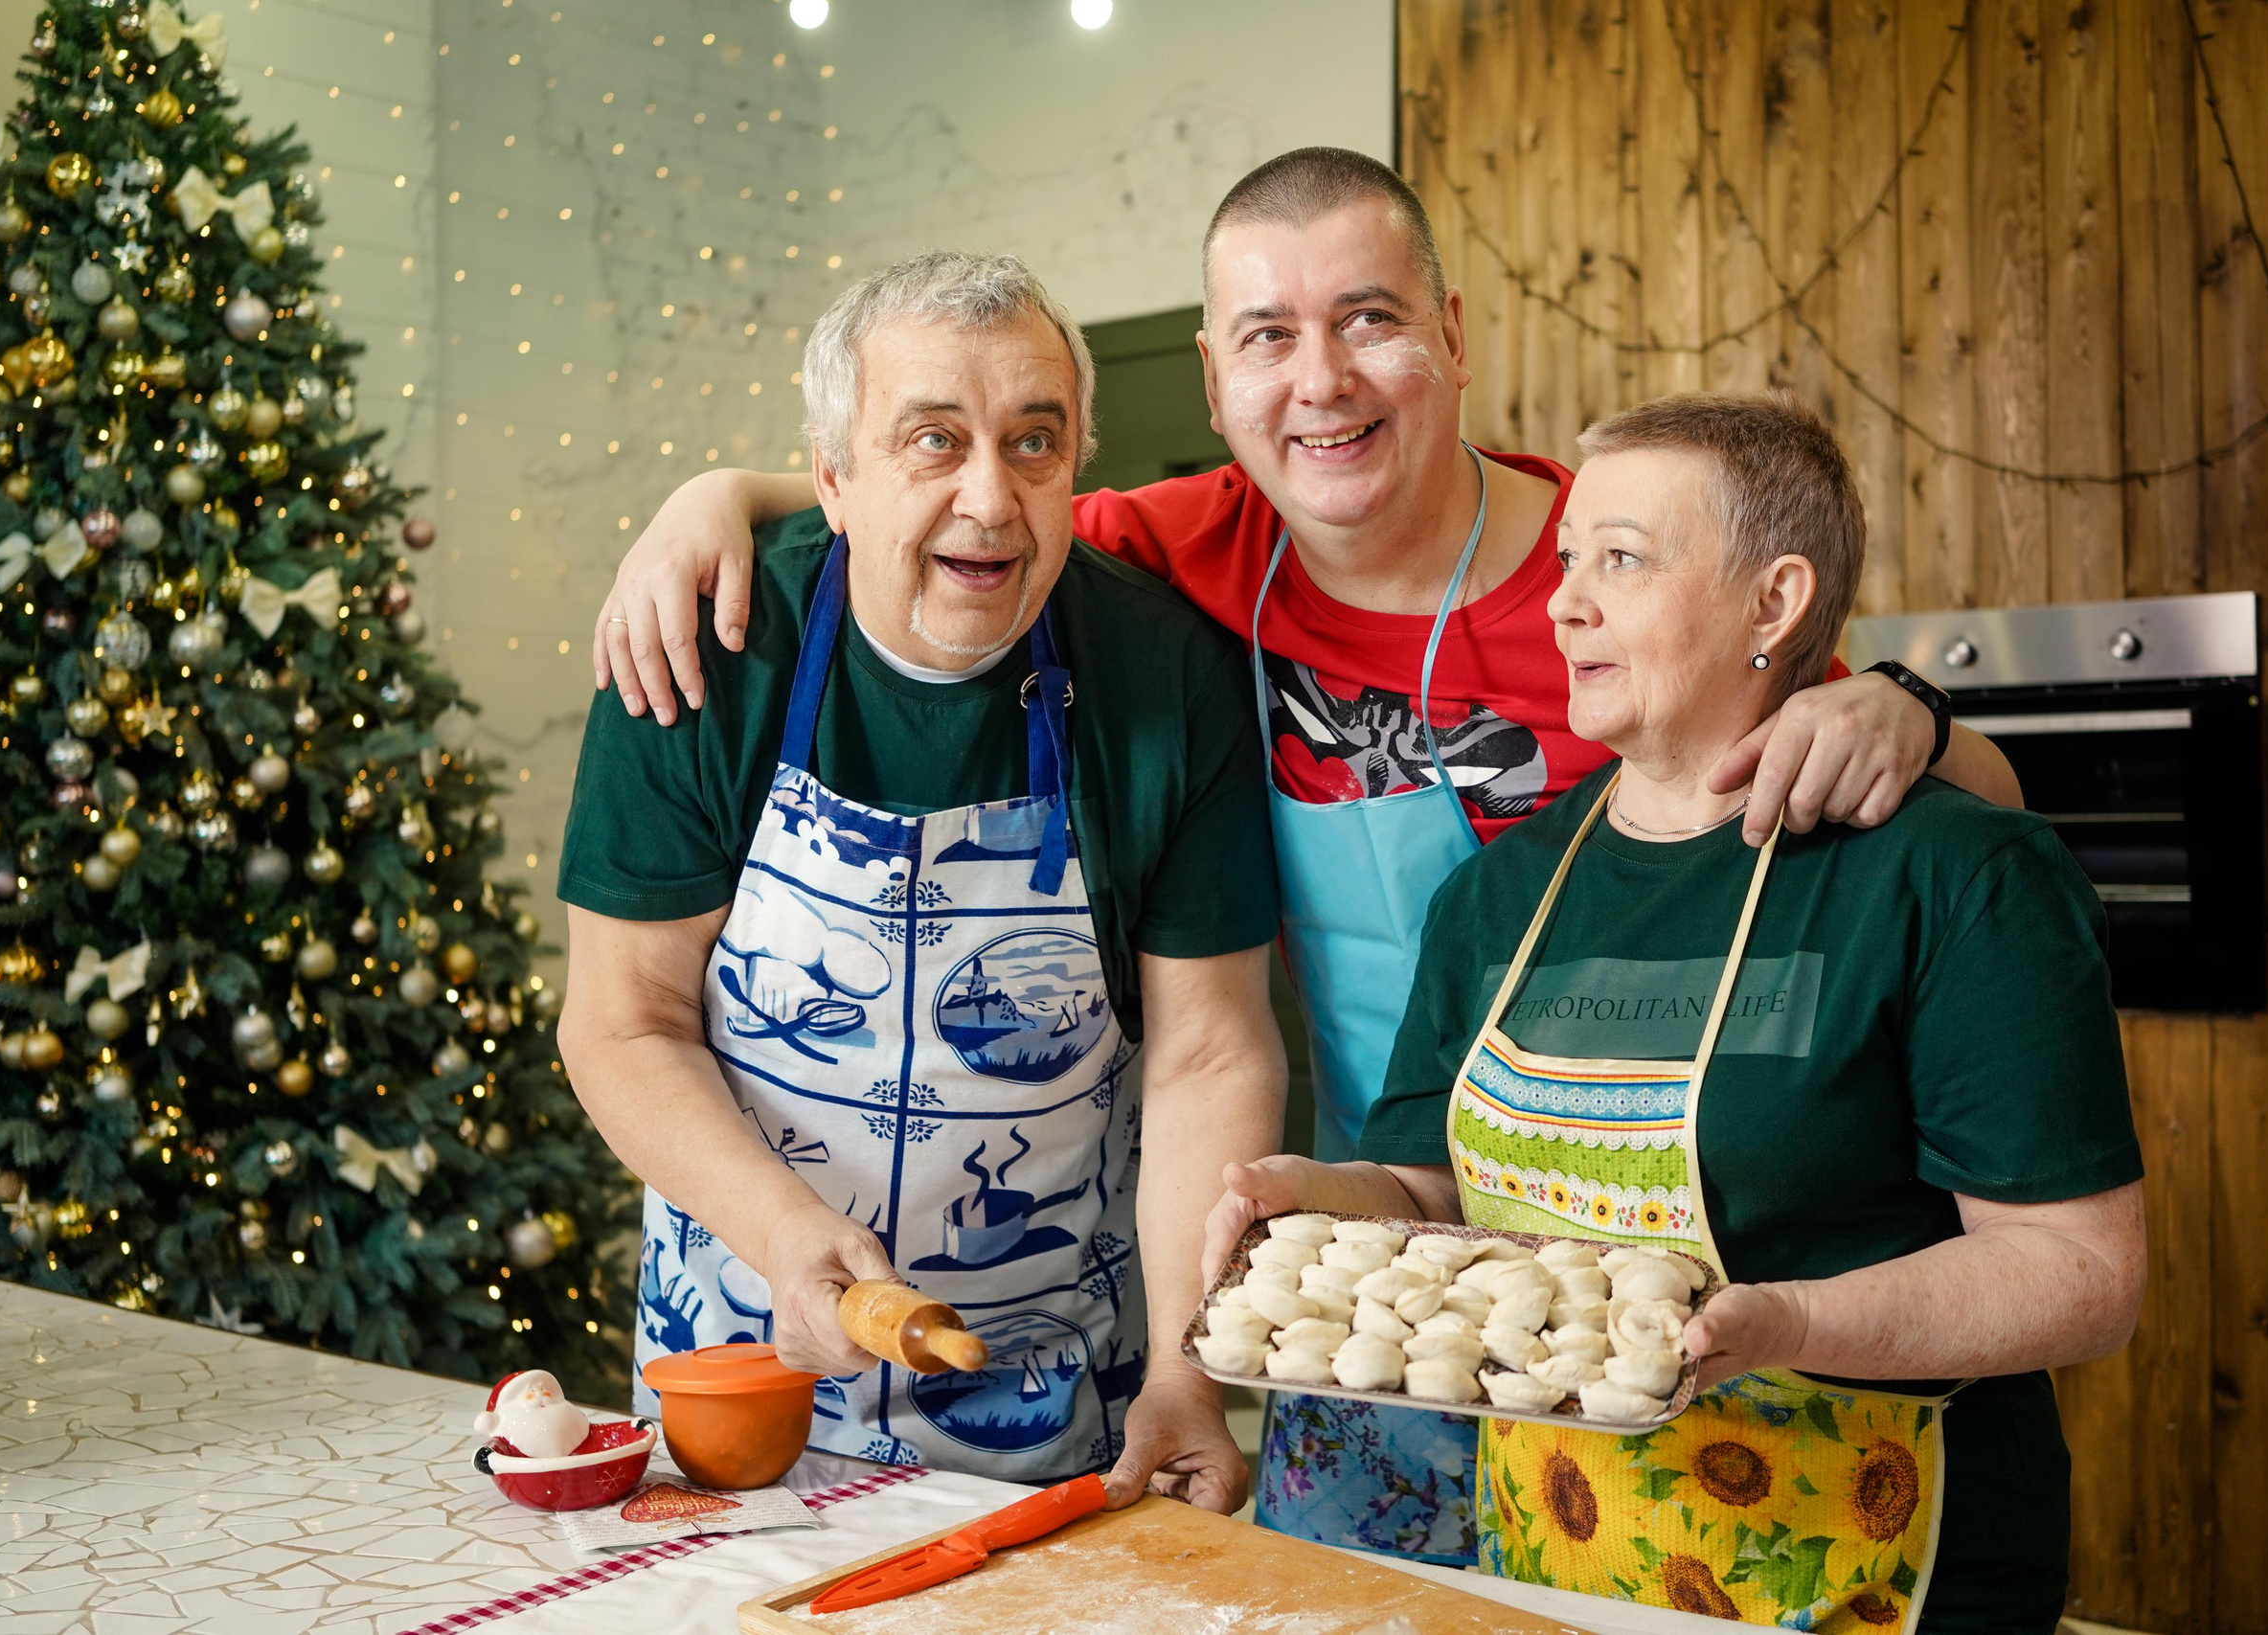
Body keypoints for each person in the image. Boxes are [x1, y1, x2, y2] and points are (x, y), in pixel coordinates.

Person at [584, 148, 2025, 1561]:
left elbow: (1953, 799)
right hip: (1351, 1255)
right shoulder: (1188, 557)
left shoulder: (1613, 587)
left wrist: (1908, 704)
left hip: (1683, 1293)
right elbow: (947, 498)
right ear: (1217, 388)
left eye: (1372, 321)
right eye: (1270, 336)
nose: (1319, 381)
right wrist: (721, 492)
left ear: (1455, 340)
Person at [1206, 392, 2146, 1632]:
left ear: (1775, 601)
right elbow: (1440, 1195)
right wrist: (1305, 1196)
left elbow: (2080, 1272)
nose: (1565, 603)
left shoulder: (1951, 877)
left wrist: (1789, 1324)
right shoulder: (1500, 895)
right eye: (1568, 562)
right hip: (1555, 1549)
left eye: (1624, 562)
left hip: (1877, 1560)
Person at [556, 251, 1286, 1511]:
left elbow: (1209, 1056)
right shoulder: (706, 645)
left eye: (1034, 443)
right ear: (833, 477)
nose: (991, 500)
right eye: (933, 443)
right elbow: (623, 1022)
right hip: (743, 1378)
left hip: (1062, 1416)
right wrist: (786, 1237)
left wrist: (1187, 1370)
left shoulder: (1166, 677)